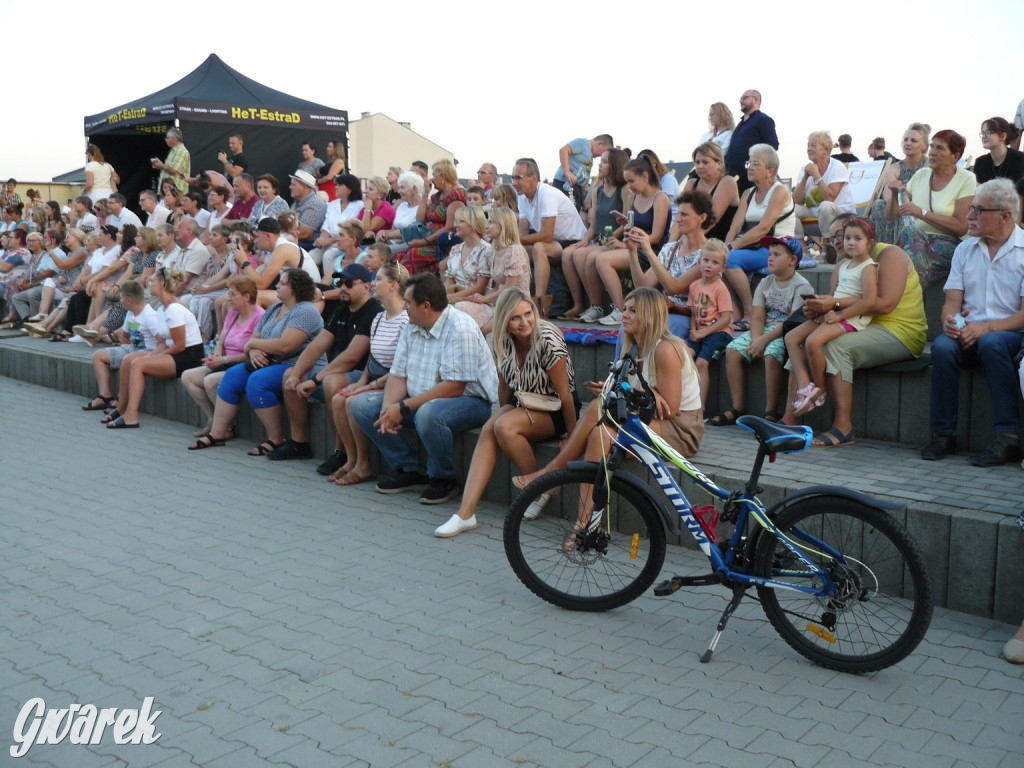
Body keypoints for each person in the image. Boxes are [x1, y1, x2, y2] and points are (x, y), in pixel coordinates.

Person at [514, 287, 704, 540]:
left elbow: (669, 408)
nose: (624, 314)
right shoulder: (635, 349)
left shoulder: (665, 349)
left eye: (633, 310)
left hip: (681, 429)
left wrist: (643, 395)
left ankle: (549, 473)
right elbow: (642, 396)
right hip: (654, 422)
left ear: (650, 315)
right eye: (625, 308)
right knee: (599, 434)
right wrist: (614, 388)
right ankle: (585, 525)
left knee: (597, 408)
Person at [434, 288, 578, 538]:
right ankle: (465, 514)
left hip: (554, 406)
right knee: (492, 427)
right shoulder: (500, 341)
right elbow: (504, 386)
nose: (525, 322)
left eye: (528, 314)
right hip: (524, 401)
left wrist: (573, 439)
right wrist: (502, 412)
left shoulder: (547, 338)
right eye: (516, 318)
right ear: (505, 322)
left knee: (504, 426)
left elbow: (565, 395)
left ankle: (538, 488)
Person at [349, 273, 498, 504]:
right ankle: (410, 470)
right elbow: (398, 375)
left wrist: (404, 407)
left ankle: (444, 480)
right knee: (361, 406)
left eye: (408, 302)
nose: (405, 306)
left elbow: (454, 387)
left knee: (428, 414)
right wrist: (389, 408)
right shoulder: (412, 325)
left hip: (471, 403)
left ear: (426, 306)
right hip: (420, 399)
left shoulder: (460, 327)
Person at [791, 213, 926, 447]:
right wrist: (819, 309)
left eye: (841, 235)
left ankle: (843, 427)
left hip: (899, 331)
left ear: (864, 235)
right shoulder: (843, 264)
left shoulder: (889, 255)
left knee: (834, 345)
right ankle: (790, 418)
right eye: (832, 237)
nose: (838, 241)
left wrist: (833, 306)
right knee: (803, 337)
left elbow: (884, 304)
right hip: (859, 322)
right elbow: (837, 301)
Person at [920, 179, 1024, 466]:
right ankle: (943, 435)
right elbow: (951, 304)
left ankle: (1009, 438)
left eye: (978, 211)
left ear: (1005, 215)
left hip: (1009, 334)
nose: (968, 217)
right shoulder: (965, 250)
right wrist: (949, 321)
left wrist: (986, 328)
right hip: (970, 332)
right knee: (942, 346)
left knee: (991, 343)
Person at [189, 268, 324, 453]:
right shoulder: (275, 308)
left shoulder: (306, 311)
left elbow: (285, 345)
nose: (276, 285)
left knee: (257, 381)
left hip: (296, 366)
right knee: (232, 375)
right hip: (269, 362)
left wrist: (253, 344)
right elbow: (253, 341)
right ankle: (218, 433)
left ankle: (275, 438)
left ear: (295, 288)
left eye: (282, 283)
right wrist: (253, 350)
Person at [270, 264, 382, 468]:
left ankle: (341, 452)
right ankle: (298, 442)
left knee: (331, 382)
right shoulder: (341, 310)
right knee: (289, 374)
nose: (343, 288)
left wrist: (315, 379)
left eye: (349, 283)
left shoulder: (373, 311)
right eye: (340, 283)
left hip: (366, 377)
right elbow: (316, 346)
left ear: (366, 287)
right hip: (340, 372)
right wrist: (297, 374)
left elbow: (351, 357)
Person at [710, 235, 812, 425]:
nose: (770, 258)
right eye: (769, 254)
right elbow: (757, 316)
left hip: (785, 332)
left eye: (777, 254)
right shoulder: (765, 282)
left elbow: (791, 323)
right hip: (763, 330)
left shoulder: (801, 286)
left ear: (793, 261)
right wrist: (755, 339)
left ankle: (770, 411)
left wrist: (763, 341)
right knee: (732, 350)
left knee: (772, 353)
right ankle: (737, 407)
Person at [329, 262, 410, 486]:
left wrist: (366, 387)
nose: (373, 283)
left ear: (394, 285)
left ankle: (363, 464)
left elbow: (400, 369)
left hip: (394, 383)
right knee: (339, 399)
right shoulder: (379, 318)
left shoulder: (406, 321)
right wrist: (362, 381)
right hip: (376, 378)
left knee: (351, 403)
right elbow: (372, 358)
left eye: (380, 279)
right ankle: (353, 460)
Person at [787, 219, 878, 416]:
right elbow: (836, 295)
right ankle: (805, 385)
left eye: (857, 238)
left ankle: (819, 388)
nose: (851, 242)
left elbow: (868, 300)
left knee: (812, 342)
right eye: (847, 238)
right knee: (791, 338)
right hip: (835, 312)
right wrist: (821, 309)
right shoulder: (844, 265)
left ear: (870, 243)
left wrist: (839, 315)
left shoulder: (868, 267)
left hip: (851, 316)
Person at [101, 268, 204, 429]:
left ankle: (131, 415)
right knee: (129, 359)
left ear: (162, 284)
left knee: (138, 364)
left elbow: (180, 345)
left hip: (189, 356)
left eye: (152, 281)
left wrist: (152, 358)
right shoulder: (162, 309)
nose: (148, 283)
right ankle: (120, 408)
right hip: (175, 352)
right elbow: (162, 343)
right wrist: (151, 355)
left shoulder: (174, 309)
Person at [886, 129, 975, 287]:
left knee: (908, 246)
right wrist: (894, 195)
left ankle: (904, 293)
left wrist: (922, 213)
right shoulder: (922, 175)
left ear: (955, 156)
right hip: (916, 241)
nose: (932, 152)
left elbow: (961, 227)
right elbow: (892, 217)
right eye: (932, 147)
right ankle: (908, 292)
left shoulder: (966, 179)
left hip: (949, 243)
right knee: (899, 245)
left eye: (940, 148)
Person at [625, 190, 715, 342]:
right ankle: (623, 366)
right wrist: (632, 252)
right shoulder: (670, 249)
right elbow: (643, 285)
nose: (677, 219)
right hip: (665, 313)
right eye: (678, 214)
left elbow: (674, 288)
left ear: (702, 217)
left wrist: (648, 250)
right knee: (626, 326)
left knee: (659, 327)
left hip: (691, 319)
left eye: (684, 215)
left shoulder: (710, 254)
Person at [591, 156, 672, 326]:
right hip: (634, 246)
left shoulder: (660, 198)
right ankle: (597, 307)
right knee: (592, 256)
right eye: (627, 182)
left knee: (602, 260)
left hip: (652, 251)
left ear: (645, 176)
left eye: (632, 181)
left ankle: (621, 310)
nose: (629, 186)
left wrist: (626, 243)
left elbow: (656, 236)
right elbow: (633, 225)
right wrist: (625, 225)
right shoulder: (634, 197)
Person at [182, 275, 265, 439]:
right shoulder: (233, 313)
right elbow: (222, 339)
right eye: (228, 293)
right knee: (188, 376)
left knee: (209, 381)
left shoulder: (260, 317)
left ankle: (225, 426)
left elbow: (253, 354)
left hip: (243, 365)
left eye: (232, 294)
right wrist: (217, 355)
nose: (228, 298)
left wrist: (224, 360)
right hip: (225, 362)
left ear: (247, 296)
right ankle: (213, 419)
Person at [723, 144, 796, 327]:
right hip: (756, 246)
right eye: (749, 163)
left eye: (755, 163)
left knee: (729, 259)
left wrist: (732, 248)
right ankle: (735, 312)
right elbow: (735, 226)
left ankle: (750, 313)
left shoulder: (779, 191)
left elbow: (764, 228)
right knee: (718, 258)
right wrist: (724, 247)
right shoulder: (748, 193)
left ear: (770, 171)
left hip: (779, 247)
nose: (749, 167)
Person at [512, 157, 586, 318]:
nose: (514, 182)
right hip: (555, 242)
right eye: (513, 178)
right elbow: (522, 233)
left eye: (518, 177)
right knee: (515, 249)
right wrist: (513, 243)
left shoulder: (546, 194)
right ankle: (512, 297)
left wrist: (514, 239)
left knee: (539, 247)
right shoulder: (522, 198)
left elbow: (546, 235)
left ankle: (539, 304)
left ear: (534, 178)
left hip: (573, 242)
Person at [561, 148, 629, 321]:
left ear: (615, 165)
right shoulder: (598, 188)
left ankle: (601, 306)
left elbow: (626, 221)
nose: (599, 164)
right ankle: (589, 306)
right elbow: (594, 223)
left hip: (615, 241)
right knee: (570, 253)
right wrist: (585, 240)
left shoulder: (625, 189)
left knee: (587, 257)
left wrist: (610, 237)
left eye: (604, 161)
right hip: (601, 240)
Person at [81, 280, 163, 412]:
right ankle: (105, 396)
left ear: (129, 300)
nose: (120, 301)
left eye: (122, 298)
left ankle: (121, 401)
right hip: (133, 349)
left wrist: (144, 356)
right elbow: (125, 336)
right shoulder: (130, 313)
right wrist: (122, 351)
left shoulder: (150, 316)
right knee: (98, 356)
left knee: (128, 361)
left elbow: (162, 342)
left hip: (149, 351)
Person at [455, 206, 530, 333]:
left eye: (490, 222)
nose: (486, 226)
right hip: (498, 303)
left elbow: (509, 289)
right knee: (459, 307)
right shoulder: (494, 250)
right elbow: (496, 287)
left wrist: (484, 299)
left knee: (479, 330)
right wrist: (478, 298)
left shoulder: (515, 250)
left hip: (515, 303)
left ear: (503, 225)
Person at [686, 239, 733, 410]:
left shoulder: (720, 289)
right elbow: (693, 313)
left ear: (722, 268)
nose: (709, 265)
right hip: (699, 332)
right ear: (699, 262)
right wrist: (693, 330)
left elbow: (726, 318)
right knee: (683, 356)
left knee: (701, 363)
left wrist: (703, 333)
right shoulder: (694, 286)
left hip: (719, 333)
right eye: (706, 260)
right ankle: (683, 401)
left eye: (715, 262)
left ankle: (700, 407)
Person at [402, 159, 466, 275]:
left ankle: (408, 287)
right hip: (430, 240)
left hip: (444, 245)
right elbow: (420, 219)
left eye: (434, 176)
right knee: (401, 254)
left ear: (443, 176)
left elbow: (450, 227)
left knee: (414, 255)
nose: (432, 180)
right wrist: (425, 194)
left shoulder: (456, 196)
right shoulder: (437, 196)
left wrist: (424, 241)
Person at [870, 123, 930, 245]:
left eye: (913, 141)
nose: (908, 143)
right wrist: (897, 198)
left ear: (924, 146)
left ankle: (899, 249)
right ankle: (882, 249)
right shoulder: (895, 167)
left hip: (920, 206)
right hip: (896, 205)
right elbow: (887, 194)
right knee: (878, 205)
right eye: (906, 139)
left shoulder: (929, 165)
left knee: (905, 208)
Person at [792, 131, 856, 238]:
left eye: (813, 145)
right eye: (808, 145)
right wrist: (805, 178)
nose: (809, 148)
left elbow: (829, 198)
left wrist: (817, 176)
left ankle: (828, 245)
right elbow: (797, 201)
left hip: (841, 214)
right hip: (815, 215)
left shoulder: (837, 167)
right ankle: (802, 248)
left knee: (825, 206)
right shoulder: (805, 169)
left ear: (826, 150)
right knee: (790, 210)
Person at [683, 141, 740, 242]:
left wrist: (687, 242)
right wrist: (670, 245)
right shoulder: (691, 184)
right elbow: (680, 218)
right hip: (692, 239)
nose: (700, 166)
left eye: (705, 162)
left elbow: (712, 219)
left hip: (717, 242)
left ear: (719, 164)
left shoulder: (727, 182)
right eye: (697, 162)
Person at [724, 90, 779, 191]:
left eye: (745, 98)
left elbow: (772, 145)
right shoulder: (741, 124)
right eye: (741, 98)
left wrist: (751, 165)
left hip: (749, 177)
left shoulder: (763, 120)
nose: (741, 101)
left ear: (755, 100)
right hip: (732, 176)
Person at [443, 207, 494, 305]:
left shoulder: (486, 250)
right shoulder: (455, 249)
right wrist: (441, 296)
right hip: (453, 297)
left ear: (473, 225)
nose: (455, 225)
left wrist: (449, 298)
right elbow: (449, 281)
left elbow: (480, 288)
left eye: (460, 221)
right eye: (456, 221)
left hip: (476, 301)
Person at [310, 174, 364, 267]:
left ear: (349, 189)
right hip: (329, 242)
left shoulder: (359, 206)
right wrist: (322, 239)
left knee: (329, 256)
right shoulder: (332, 204)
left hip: (346, 244)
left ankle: (330, 281)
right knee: (310, 256)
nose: (336, 187)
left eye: (339, 185)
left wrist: (329, 241)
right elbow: (326, 226)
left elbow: (350, 231)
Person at [552, 134, 613, 208]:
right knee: (569, 211)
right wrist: (567, 172)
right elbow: (563, 150)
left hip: (577, 187)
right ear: (599, 144)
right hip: (565, 183)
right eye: (603, 152)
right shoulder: (582, 143)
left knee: (575, 211)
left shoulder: (590, 155)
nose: (601, 156)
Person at [376, 171, 423, 256]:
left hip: (411, 243)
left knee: (379, 253)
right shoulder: (402, 206)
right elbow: (392, 229)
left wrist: (389, 234)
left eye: (402, 188)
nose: (399, 191)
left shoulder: (423, 207)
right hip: (395, 241)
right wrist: (382, 232)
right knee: (371, 250)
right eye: (399, 188)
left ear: (414, 189)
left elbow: (414, 231)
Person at [974, 117, 1024, 185]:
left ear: (1003, 136)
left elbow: (1018, 191)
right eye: (983, 133)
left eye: (988, 132)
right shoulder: (980, 162)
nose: (983, 136)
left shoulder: (1020, 159)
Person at [287, 170, 327, 251]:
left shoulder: (315, 204)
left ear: (304, 187)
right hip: (295, 241)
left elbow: (304, 234)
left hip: (310, 245)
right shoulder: (296, 202)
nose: (290, 187)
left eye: (293, 185)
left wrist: (281, 234)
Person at [152, 128, 190, 195]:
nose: (166, 140)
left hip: (175, 194)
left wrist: (161, 165)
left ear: (174, 139)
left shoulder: (181, 152)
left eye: (167, 138)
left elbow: (174, 170)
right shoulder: (173, 151)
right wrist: (161, 165)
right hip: (168, 193)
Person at [359, 177, 396, 242]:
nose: (366, 191)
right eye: (367, 188)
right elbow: (356, 229)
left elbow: (365, 228)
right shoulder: (366, 207)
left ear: (381, 195)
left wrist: (367, 209)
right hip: (364, 242)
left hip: (381, 245)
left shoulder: (386, 209)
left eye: (371, 189)